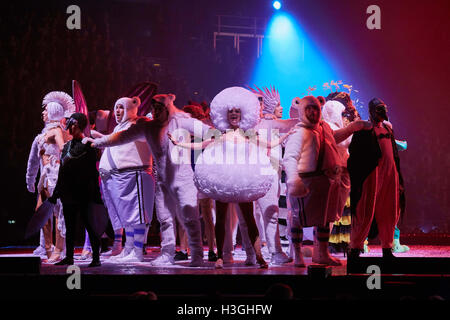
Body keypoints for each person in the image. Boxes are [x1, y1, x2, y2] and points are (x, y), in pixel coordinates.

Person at [169, 87, 294, 269]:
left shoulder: (249, 133)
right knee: (221, 219)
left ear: (242, 113)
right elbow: (202, 144)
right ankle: (220, 256)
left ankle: (259, 256)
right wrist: (180, 143)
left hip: (243, 181)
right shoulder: (219, 133)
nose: (234, 114)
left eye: (237, 111)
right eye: (230, 112)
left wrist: (285, 137)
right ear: (225, 115)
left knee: (250, 219)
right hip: (223, 180)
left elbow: (268, 143)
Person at [84, 94, 211, 267]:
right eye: (154, 109)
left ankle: (197, 255)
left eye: (160, 109)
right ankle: (167, 253)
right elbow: (121, 137)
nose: (156, 112)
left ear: (167, 109)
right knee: (165, 219)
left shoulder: (182, 122)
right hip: (162, 181)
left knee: (189, 218)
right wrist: (97, 142)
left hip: (183, 179)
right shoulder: (148, 127)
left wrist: (209, 145)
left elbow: (210, 132)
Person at [283, 96, 370, 267]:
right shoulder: (299, 132)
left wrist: (353, 127)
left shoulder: (323, 128)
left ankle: (321, 253)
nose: (313, 113)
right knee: (298, 218)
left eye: (316, 109)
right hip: (305, 183)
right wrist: (294, 179)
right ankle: (298, 254)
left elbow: (334, 138)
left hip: (324, 183)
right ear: (302, 111)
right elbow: (290, 158)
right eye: (309, 109)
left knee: (323, 219)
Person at [98, 96, 155, 263]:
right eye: (116, 107)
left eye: (122, 107)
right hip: (121, 177)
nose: (117, 111)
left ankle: (137, 251)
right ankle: (129, 248)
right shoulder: (119, 127)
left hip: (135, 175)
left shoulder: (139, 123)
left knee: (137, 216)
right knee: (128, 217)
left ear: (131, 108)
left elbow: (144, 135)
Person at [347, 98, 405, 261]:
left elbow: (393, 151)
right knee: (365, 211)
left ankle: (387, 248)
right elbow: (355, 153)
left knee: (390, 211)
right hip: (373, 174)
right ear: (372, 111)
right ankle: (355, 247)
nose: (382, 114)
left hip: (390, 174)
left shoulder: (387, 128)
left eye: (384, 110)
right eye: (379, 110)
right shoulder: (364, 128)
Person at [26, 91, 75, 262]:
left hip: (56, 179)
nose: (43, 113)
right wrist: (30, 180)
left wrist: (57, 161)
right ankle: (47, 248)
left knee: (58, 214)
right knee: (42, 214)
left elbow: (64, 149)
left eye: (46, 109)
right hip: (45, 181)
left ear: (54, 111)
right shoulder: (41, 136)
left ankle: (59, 249)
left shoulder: (57, 131)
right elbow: (32, 162)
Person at [50, 113, 102, 267]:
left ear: (78, 124)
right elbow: (62, 171)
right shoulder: (66, 146)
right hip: (68, 193)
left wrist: (96, 194)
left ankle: (96, 258)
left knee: (89, 224)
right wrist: (56, 192)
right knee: (70, 226)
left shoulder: (89, 145)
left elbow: (93, 171)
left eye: (71, 125)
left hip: (84, 192)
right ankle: (69, 257)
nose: (68, 129)